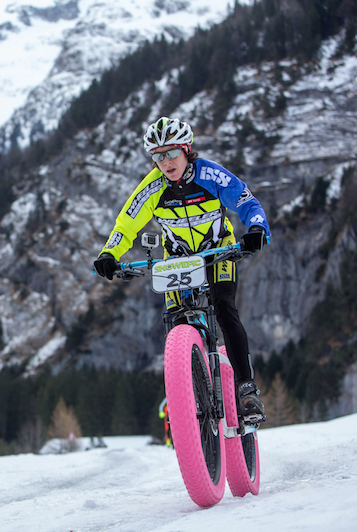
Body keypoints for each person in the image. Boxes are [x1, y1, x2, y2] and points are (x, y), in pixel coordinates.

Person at [93, 117, 269, 421]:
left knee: (225, 308)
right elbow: (126, 225)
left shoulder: (211, 174)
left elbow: (245, 201)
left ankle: (247, 390)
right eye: (158, 156)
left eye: (172, 152)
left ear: (187, 149)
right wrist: (109, 252)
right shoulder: (152, 188)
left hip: (218, 251)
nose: (166, 162)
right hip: (177, 260)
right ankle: (187, 387)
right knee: (174, 321)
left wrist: (256, 228)